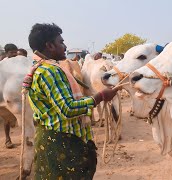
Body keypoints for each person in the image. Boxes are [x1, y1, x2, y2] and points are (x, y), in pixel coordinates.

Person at [27, 23, 121, 179]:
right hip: (62, 143)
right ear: (49, 46)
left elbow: (60, 103)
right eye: (61, 42)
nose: (65, 46)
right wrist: (100, 96)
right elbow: (68, 108)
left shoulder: (39, 68)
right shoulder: (51, 71)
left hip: (51, 139)